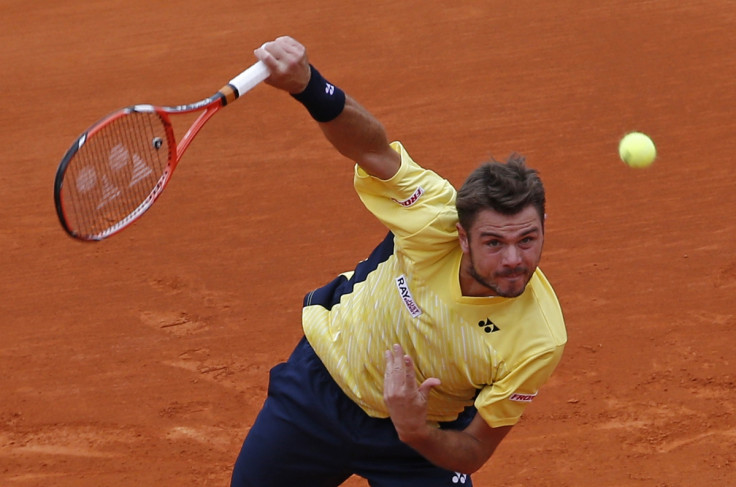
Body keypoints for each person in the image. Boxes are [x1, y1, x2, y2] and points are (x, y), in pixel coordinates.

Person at [230, 36, 567, 487]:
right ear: (461, 236)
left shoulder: (539, 338)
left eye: (528, 240)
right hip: (321, 388)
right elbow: (371, 149)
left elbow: (474, 451)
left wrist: (415, 430)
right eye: (493, 243)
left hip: (418, 439)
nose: (514, 260)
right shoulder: (434, 216)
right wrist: (309, 85)